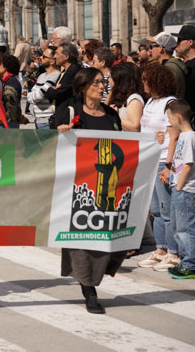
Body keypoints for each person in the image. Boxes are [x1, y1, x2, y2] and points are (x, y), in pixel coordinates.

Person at [51, 67, 124, 313]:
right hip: (79, 189)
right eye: (96, 83)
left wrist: (152, 143)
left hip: (108, 186)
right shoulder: (70, 111)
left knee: (107, 240)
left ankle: (96, 276)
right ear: (83, 87)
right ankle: (89, 290)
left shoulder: (111, 115)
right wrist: (61, 133)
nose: (102, 87)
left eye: (103, 83)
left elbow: (124, 145)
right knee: (81, 241)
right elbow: (53, 146)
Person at [136, 63, 181, 272]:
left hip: (163, 160)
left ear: (156, 81)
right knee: (155, 209)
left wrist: (169, 165)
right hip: (150, 159)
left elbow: (175, 136)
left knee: (167, 209)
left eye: (146, 79)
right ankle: (160, 249)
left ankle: (173, 252)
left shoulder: (169, 103)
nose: (143, 83)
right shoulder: (150, 102)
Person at [165, 99, 195, 279]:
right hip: (179, 188)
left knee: (187, 228)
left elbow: (188, 165)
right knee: (178, 227)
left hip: (186, 190)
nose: (169, 121)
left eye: (170, 117)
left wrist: (179, 187)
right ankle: (185, 260)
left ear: (178, 117)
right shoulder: (184, 136)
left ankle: (191, 265)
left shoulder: (190, 137)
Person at [139, 33, 186, 99]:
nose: (150, 50)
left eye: (151, 47)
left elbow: (166, 94)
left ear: (160, 48)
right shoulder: (169, 65)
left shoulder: (170, 68)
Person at [173, 25, 195, 123]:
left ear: (190, 42)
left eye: (180, 40)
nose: (177, 44)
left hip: (193, 120)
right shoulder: (185, 63)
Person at [107, 62, 144, 132]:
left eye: (112, 77)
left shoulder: (134, 99)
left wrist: (115, 116)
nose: (109, 80)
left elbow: (135, 127)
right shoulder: (122, 97)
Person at [44, 42, 80, 110]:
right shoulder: (65, 71)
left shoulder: (73, 71)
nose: (54, 56)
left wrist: (50, 89)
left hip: (67, 112)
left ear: (66, 56)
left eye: (57, 53)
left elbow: (56, 93)